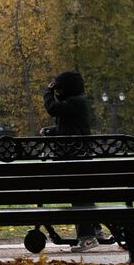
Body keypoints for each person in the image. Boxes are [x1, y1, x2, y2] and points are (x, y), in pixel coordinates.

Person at [42, 70, 102, 250]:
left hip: (76, 156)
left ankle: (88, 236)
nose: (57, 91)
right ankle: (96, 229)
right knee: (83, 193)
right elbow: (70, 127)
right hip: (79, 154)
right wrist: (51, 131)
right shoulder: (76, 102)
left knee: (79, 195)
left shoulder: (75, 102)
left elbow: (52, 109)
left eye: (59, 88)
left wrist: (47, 91)